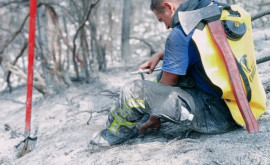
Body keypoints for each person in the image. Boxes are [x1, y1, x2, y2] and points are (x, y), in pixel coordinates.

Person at [90, 0, 240, 146]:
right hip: (239, 107)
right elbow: (198, 48)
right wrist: (162, 55)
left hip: (216, 118)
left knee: (133, 92)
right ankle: (141, 116)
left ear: (168, 6)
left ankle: (112, 135)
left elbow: (168, 83)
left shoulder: (181, 32)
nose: (167, 27)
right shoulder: (214, 10)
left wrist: (154, 117)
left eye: (162, 20)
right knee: (165, 75)